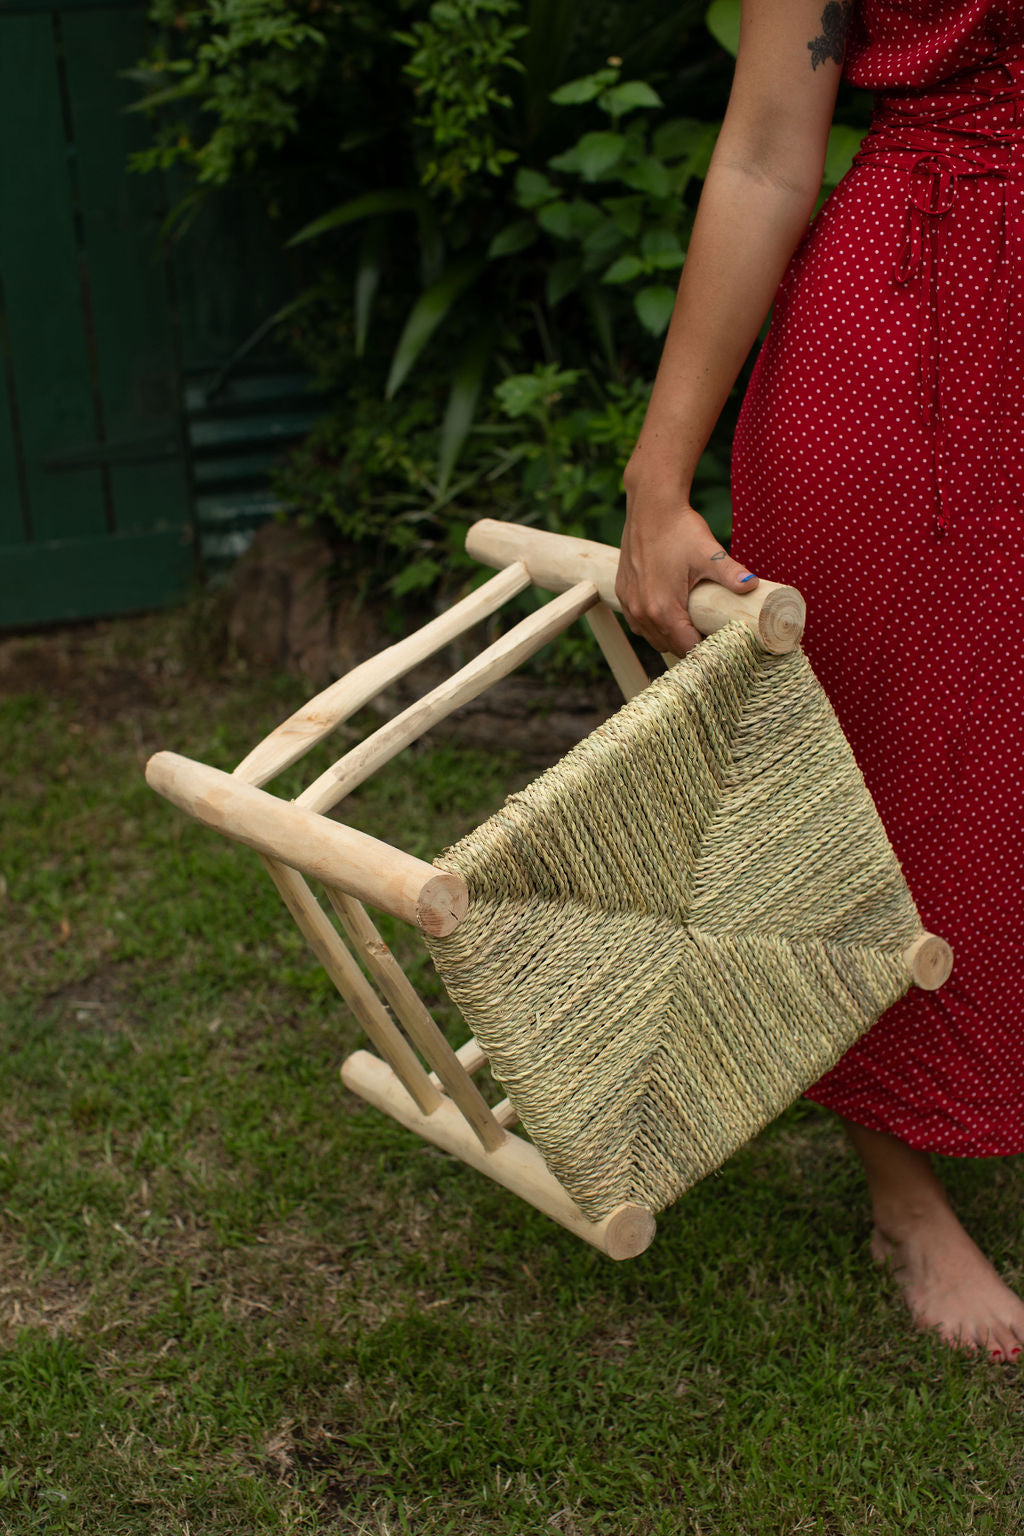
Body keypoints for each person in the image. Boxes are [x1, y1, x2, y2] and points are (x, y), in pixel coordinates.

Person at [616, 0, 1024, 1360]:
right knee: (887, 760)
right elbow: (765, 154)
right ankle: (904, 1196)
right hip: (913, 330)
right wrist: (658, 478)